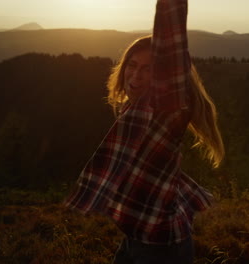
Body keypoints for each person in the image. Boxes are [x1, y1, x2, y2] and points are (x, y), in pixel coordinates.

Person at [63, 0, 224, 263]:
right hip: (138, 237)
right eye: (132, 65)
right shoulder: (134, 111)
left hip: (160, 249)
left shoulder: (166, 106)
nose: (136, 75)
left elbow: (171, 38)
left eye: (150, 69)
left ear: (164, 79)